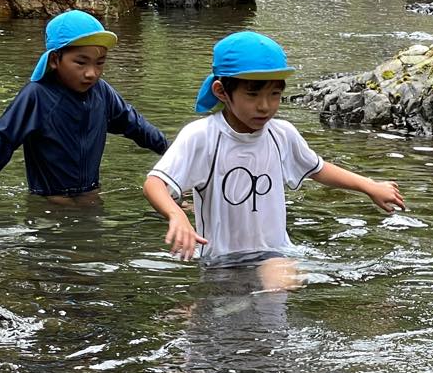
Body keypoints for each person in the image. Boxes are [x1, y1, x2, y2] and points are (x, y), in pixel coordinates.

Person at [144, 31, 404, 269]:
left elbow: (318, 169)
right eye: (253, 95)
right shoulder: (202, 137)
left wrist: (369, 186)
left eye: (275, 94)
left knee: (275, 292)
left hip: (276, 253)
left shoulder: (282, 134)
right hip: (222, 263)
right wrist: (176, 214)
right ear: (222, 91)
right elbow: (154, 183)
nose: (265, 106)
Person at [0, 10, 168, 207]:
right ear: (55, 60)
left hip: (91, 194)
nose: (92, 73)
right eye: (81, 63)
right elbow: (2, 136)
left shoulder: (102, 93)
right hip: (49, 200)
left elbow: (136, 125)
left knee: (92, 223)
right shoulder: (38, 95)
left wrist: (174, 155)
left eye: (100, 63)